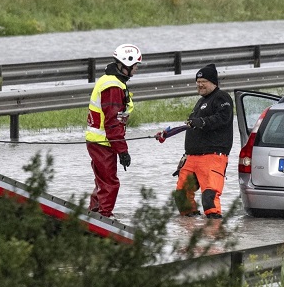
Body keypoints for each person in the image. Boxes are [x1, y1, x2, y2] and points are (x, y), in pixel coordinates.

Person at [157, 63, 233, 219]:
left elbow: (223, 118)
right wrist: (168, 134)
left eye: (203, 81)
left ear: (213, 82)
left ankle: (214, 236)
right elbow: (190, 126)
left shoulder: (222, 97)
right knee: (182, 197)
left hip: (213, 157)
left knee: (209, 199)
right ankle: (189, 234)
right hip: (192, 157)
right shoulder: (200, 102)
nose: (199, 84)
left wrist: (203, 122)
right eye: (197, 82)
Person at [84, 43, 141, 217]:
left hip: (99, 141)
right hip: (103, 142)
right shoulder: (113, 86)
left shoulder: (112, 81)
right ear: (126, 65)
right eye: (136, 66)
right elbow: (112, 122)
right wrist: (123, 151)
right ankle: (104, 217)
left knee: (102, 181)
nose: (136, 70)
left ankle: (94, 213)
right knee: (110, 183)